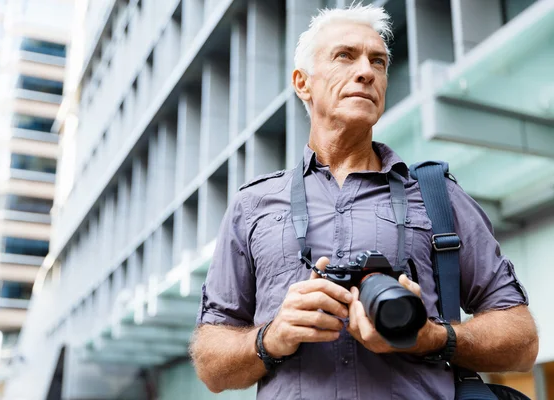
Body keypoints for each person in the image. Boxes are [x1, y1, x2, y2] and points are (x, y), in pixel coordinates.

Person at [189, 3, 539, 399]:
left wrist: (430, 336)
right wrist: (273, 336)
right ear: (303, 83)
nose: (366, 72)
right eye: (345, 56)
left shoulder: (436, 196)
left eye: (379, 61)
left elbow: (522, 340)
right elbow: (210, 366)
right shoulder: (252, 205)